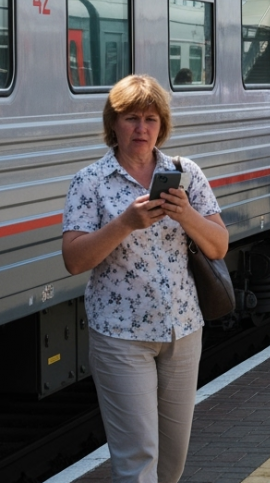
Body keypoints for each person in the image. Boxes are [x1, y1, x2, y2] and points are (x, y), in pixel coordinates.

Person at [61, 74, 229, 483]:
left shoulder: (185, 172)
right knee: (138, 459)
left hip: (183, 329)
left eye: (151, 119)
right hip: (121, 336)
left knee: (171, 461)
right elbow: (74, 260)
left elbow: (219, 246)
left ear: (162, 125)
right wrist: (126, 222)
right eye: (131, 118)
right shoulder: (90, 182)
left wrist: (185, 213)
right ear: (113, 124)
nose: (142, 129)